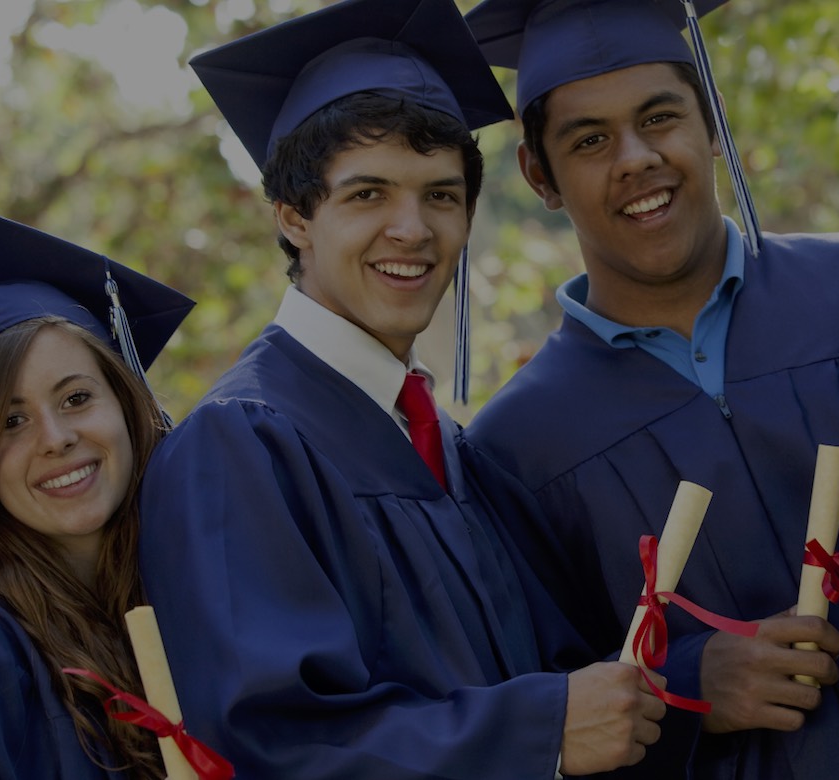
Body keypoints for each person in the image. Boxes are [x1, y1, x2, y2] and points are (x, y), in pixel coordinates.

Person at [462, 1, 839, 777]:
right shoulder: (518, 445)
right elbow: (542, 703)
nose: (636, 157)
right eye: (589, 140)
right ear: (539, 175)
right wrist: (680, 683)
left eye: (659, 117)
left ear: (710, 127)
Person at [138, 0, 667, 776]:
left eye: (440, 195)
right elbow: (270, 742)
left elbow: (569, 677)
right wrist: (536, 731)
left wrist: (687, 680)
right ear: (293, 217)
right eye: (367, 195)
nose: (412, 229)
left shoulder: (452, 449)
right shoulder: (240, 444)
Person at [0, 205, 194, 778]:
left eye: (76, 398)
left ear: (127, 406)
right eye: (10, 421)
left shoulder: (200, 584)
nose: (55, 439)